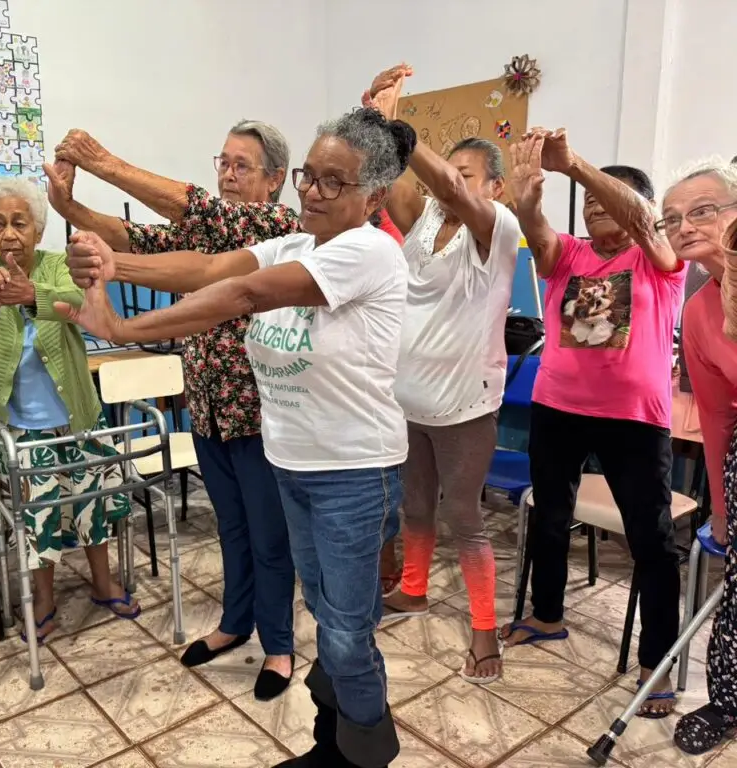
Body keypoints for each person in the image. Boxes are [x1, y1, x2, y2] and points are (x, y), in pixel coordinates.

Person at [59, 98, 416, 768]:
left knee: (344, 631)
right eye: (310, 174)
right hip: (294, 466)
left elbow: (245, 296)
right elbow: (209, 269)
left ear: (373, 196)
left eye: (331, 182)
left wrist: (124, 330)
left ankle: (366, 752)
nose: (311, 190)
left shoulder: (369, 253)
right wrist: (113, 266)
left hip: (352, 475)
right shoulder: (296, 243)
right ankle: (334, 739)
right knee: (329, 616)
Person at [45, 122, 300, 698]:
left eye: (243, 166)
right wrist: (71, 205)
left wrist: (103, 160)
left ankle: (280, 644)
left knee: (269, 536)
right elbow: (131, 237)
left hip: (259, 415)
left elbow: (200, 211)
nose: (229, 174)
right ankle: (237, 623)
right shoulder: (208, 232)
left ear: (275, 180)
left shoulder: (280, 228)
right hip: (208, 409)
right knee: (232, 528)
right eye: (224, 162)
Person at [504, 130, 686, 717]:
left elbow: (646, 222)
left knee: (651, 542)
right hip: (558, 409)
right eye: (586, 201)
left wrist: (576, 166)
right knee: (550, 519)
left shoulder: (662, 261)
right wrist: (528, 189)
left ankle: (657, 662)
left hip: (634, 420)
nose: (595, 205)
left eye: (609, 197)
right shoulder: (570, 256)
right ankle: (547, 615)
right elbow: (534, 229)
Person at [365, 65, 521, 685]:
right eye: (450, 170)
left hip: (464, 407)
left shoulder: (497, 229)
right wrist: (376, 120)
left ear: (497, 188)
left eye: (468, 174)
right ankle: (413, 589)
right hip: (410, 402)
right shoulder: (424, 221)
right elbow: (409, 182)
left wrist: (396, 123)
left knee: (465, 516)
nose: (451, 184)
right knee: (414, 509)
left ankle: (485, 630)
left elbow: (452, 191)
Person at [0, 177, 138, 642]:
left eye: (19, 222)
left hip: (77, 416)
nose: (9, 233)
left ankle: (102, 582)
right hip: (21, 427)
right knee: (40, 518)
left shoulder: (56, 266)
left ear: (38, 229)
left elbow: (77, 302)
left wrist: (30, 295)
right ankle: (45, 599)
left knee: (93, 504)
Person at [658, 160, 737, 753]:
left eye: (703, 209)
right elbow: (717, 417)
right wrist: (723, 508)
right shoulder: (698, 308)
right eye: (672, 218)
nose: (685, 226)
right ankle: (729, 700)